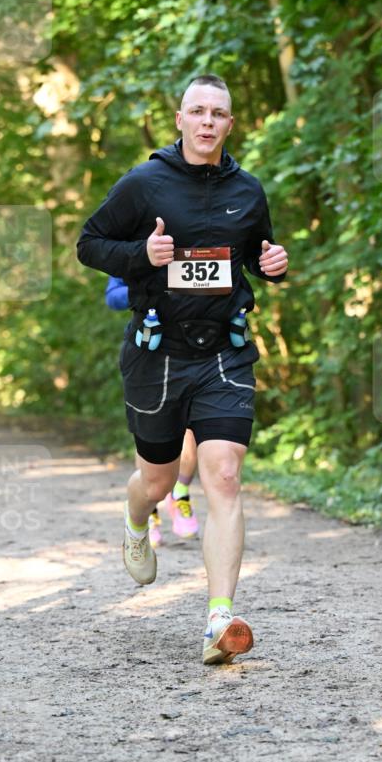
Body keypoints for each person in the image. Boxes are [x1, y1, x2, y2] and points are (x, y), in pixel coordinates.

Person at [78, 74, 288, 664]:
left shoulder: (248, 189)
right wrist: (140, 255)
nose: (207, 122)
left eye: (218, 113)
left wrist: (273, 264)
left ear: (230, 124)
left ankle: (219, 620)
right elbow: (89, 243)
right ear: (180, 119)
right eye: (197, 111)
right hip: (158, 353)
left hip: (225, 350)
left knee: (223, 474)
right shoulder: (144, 183)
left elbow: (256, 255)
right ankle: (136, 518)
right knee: (159, 480)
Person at [105, 275, 200, 547]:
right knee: (151, 433)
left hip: (199, 349)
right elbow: (113, 297)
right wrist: (146, 289)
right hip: (151, 352)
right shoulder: (138, 251)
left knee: (191, 430)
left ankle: (180, 493)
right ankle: (151, 510)